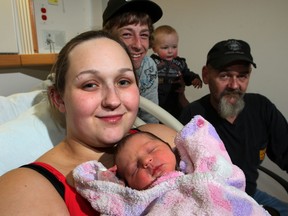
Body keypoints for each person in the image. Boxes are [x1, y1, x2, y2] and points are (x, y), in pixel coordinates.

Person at [0, 30, 177, 215]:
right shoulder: (25, 189)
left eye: (123, 81)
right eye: (90, 85)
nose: (113, 100)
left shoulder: (160, 136)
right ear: (58, 99)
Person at [73, 115, 269, 215]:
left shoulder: (197, 170)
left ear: (171, 147)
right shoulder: (140, 201)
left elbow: (227, 175)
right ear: (129, 185)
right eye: (134, 168)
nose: (146, 161)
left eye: (152, 150)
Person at [179, 39, 288, 215]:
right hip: (213, 203)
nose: (234, 85)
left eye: (242, 76)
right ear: (206, 75)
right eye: (224, 75)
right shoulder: (193, 119)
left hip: (252, 194)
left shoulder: (262, 108)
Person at [102, 0, 163, 123]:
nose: (138, 45)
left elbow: (150, 116)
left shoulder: (147, 66)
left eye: (144, 35)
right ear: (108, 37)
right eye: (127, 34)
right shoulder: (94, 65)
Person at [151, 25, 203, 119]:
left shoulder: (180, 63)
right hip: (157, 99)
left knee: (176, 119)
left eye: (174, 47)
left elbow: (187, 74)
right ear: (154, 48)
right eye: (165, 48)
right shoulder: (151, 62)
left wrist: (194, 79)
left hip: (174, 99)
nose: (170, 51)